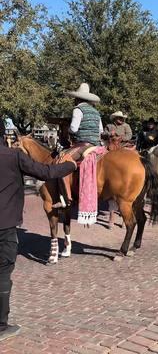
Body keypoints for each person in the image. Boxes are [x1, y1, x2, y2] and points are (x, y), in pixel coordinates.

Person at [0, 117, 77, 342]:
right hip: (4, 226)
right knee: (3, 273)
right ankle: (1, 325)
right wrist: (70, 165)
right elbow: (46, 172)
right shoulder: (13, 156)